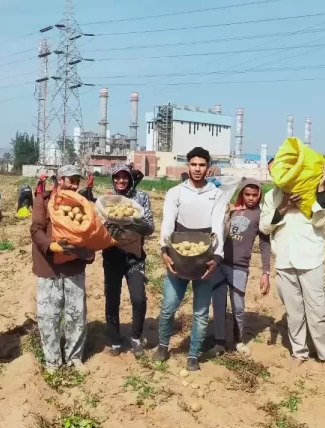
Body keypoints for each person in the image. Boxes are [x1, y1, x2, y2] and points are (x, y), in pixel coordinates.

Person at [156, 147, 230, 371]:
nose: (197, 169)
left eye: (202, 165)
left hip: (204, 257)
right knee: (169, 305)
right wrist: (164, 250)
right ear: (187, 166)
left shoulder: (216, 195)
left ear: (208, 167)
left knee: (200, 311)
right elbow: (168, 222)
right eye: (194, 165)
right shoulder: (175, 192)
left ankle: (193, 354)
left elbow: (218, 226)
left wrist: (216, 257)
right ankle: (162, 345)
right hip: (179, 253)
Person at [260, 165, 325, 367]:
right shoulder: (272, 197)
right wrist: (283, 207)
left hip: (311, 258)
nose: (277, 175)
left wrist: (320, 191)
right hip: (284, 259)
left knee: (318, 310)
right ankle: (299, 352)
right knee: (294, 312)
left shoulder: (311, 190)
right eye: (273, 173)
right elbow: (265, 226)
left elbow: (323, 220)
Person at [30, 164, 94, 372]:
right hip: (48, 267)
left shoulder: (83, 203)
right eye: (71, 181)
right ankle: (53, 361)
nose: (75, 185)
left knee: (77, 315)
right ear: (60, 181)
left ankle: (74, 357)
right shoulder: (44, 200)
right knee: (49, 317)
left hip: (74, 266)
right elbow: (36, 228)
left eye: (77, 181)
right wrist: (50, 245)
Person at [211, 177, 271, 356]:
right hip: (220, 264)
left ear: (259, 196)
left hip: (240, 268)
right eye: (247, 194)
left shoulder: (260, 216)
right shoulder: (233, 211)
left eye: (254, 195)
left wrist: (265, 271)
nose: (251, 198)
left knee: (238, 306)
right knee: (219, 304)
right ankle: (219, 342)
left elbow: (264, 244)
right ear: (241, 194)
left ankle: (238, 340)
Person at [102, 163, 154, 358]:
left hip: (134, 257)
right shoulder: (107, 200)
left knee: (139, 298)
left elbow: (149, 228)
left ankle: (135, 338)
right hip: (112, 256)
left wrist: (134, 221)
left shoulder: (141, 198)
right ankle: (115, 340)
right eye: (117, 177)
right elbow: (99, 228)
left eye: (124, 177)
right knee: (112, 297)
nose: (121, 180)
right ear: (113, 179)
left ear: (130, 178)